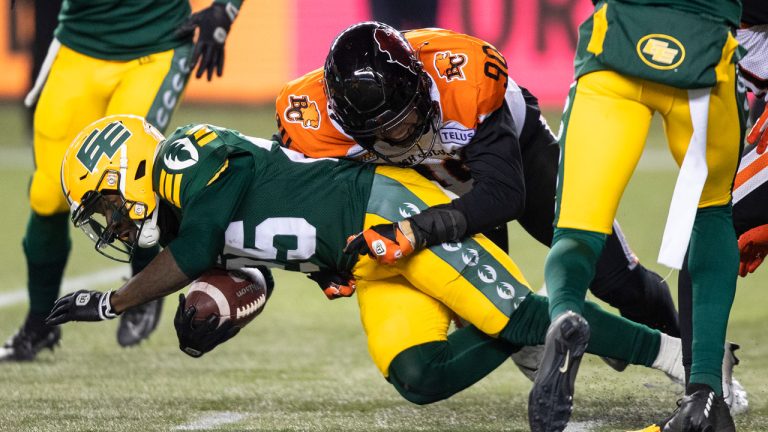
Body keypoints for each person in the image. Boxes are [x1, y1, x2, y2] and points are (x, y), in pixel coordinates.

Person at [45, 115, 693, 408]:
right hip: (363, 265)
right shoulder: (176, 217)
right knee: (417, 376)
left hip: (387, 215)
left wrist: (114, 301)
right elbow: (250, 274)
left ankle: (681, 357)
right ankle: (545, 333)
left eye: (104, 201)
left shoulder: (186, 153)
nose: (110, 220)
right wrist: (211, 317)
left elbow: (195, 248)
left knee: (523, 315)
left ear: (128, 167)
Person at [275, 22, 680, 345]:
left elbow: (505, 196)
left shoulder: (464, 77)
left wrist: (415, 230)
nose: (404, 136)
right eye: (385, 132)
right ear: (347, 124)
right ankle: (588, 343)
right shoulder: (309, 122)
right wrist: (322, 262)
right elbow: (302, 204)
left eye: (408, 118)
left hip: (514, 155)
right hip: (423, 182)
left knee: (614, 277)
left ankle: (687, 348)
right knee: (483, 313)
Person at [534, 0, 744, 431]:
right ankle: (705, 389)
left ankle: (567, 313)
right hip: (704, 53)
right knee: (711, 212)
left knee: (578, 227)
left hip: (616, 49)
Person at [0, 0, 243, 361]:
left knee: (132, 179)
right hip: (78, 47)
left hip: (155, 45)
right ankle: (39, 324)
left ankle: (142, 283)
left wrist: (226, 9)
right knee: (47, 195)